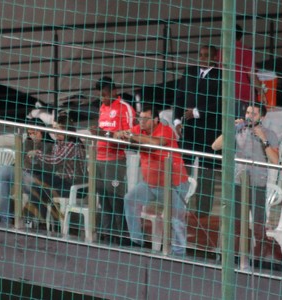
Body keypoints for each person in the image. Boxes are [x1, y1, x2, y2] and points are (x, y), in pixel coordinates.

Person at [119, 105, 190, 256]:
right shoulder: (138, 130)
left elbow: (156, 143)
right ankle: (136, 240)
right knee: (129, 199)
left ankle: (179, 252)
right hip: (149, 184)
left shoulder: (166, 130)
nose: (142, 121)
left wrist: (132, 137)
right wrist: (120, 134)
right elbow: (118, 135)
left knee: (176, 218)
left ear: (155, 120)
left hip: (173, 184)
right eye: (140, 118)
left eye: (146, 118)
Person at [212, 103, 279, 261]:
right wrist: (230, 129)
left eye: (254, 114)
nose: (249, 116)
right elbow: (215, 146)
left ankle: (258, 259)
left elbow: (276, 160)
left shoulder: (269, 134)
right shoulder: (238, 130)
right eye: (248, 113)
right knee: (233, 224)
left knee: (258, 226)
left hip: (257, 185)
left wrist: (263, 139)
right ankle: (228, 256)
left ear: (262, 117)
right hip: (237, 183)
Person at [0, 119, 54, 227]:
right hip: (23, 176)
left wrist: (36, 158)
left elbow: (47, 168)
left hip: (37, 181)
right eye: (30, 133)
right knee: (1, 184)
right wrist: (27, 158)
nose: (32, 136)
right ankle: (6, 223)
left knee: (5, 169)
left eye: (35, 133)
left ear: (42, 131)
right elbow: (19, 160)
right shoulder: (28, 143)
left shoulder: (49, 145)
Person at [173, 45, 222, 218]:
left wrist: (196, 112)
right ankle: (179, 203)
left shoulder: (221, 76)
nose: (202, 58)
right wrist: (177, 120)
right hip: (188, 131)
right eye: (200, 55)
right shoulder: (190, 72)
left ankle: (202, 211)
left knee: (206, 172)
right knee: (181, 166)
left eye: (206, 55)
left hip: (209, 131)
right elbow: (179, 96)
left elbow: (221, 103)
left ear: (215, 57)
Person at [89, 76, 135, 244]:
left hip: (115, 161)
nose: (103, 98)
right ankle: (106, 236)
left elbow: (130, 136)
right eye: (101, 95)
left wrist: (104, 134)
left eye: (106, 94)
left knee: (116, 200)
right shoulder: (102, 108)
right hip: (99, 160)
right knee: (104, 200)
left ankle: (122, 237)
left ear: (114, 91)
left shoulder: (125, 108)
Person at [28, 115, 87, 220]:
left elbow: (56, 160)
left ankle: (42, 221)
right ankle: (39, 220)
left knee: (40, 188)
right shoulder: (58, 143)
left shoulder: (73, 144)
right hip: (62, 180)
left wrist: (38, 154)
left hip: (75, 184)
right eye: (53, 129)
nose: (54, 132)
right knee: (36, 183)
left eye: (57, 129)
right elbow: (51, 165)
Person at [234, 24, 264, 118]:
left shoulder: (220, 52)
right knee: (245, 126)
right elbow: (251, 74)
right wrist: (260, 91)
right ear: (241, 35)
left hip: (225, 97)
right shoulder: (245, 51)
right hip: (243, 97)